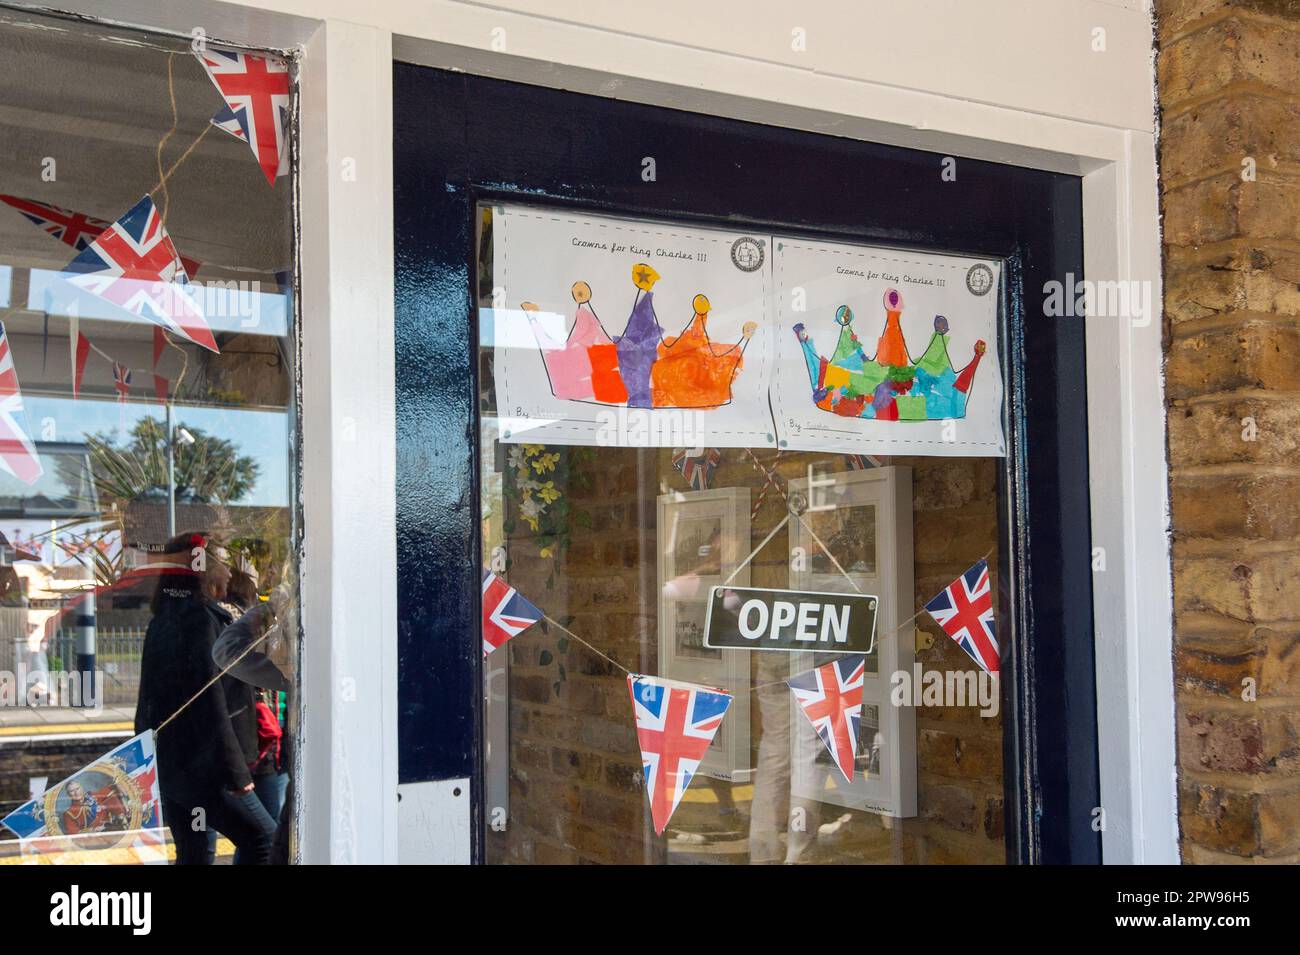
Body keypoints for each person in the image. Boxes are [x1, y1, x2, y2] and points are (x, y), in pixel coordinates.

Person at [134, 532, 277, 864]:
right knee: (265, 840)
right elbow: (209, 701)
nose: (229, 573)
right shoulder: (201, 621)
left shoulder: (162, 620)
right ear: (203, 568)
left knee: (194, 856)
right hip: (207, 770)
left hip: (174, 769)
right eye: (225, 564)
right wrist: (237, 774)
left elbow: (149, 701)